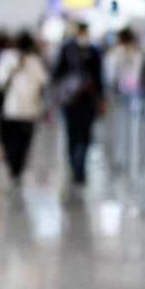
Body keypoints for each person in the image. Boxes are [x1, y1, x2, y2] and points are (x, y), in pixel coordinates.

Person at [0, 30, 47, 191]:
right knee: (21, 141)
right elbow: (42, 83)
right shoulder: (31, 60)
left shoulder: (11, 58)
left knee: (14, 141)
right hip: (25, 109)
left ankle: (15, 169)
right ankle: (16, 169)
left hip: (14, 109)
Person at [52, 22, 103, 187]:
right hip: (80, 102)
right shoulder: (90, 52)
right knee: (80, 136)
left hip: (75, 102)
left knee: (76, 136)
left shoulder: (69, 50)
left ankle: (77, 168)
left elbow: (56, 77)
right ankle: (78, 168)